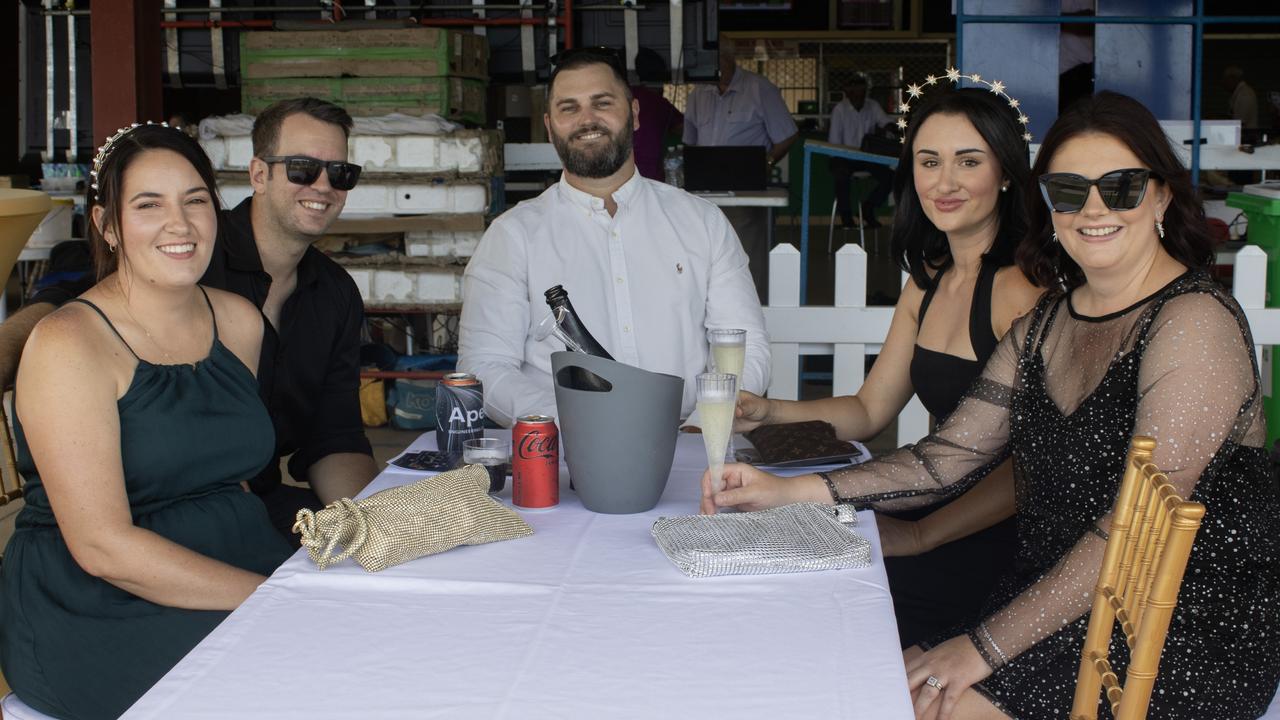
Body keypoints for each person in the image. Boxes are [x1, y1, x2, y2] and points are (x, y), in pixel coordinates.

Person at [705, 91, 1280, 719]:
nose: (1092, 209)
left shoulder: (1192, 321)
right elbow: (943, 459)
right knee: (874, 681)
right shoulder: (1047, 324)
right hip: (1059, 596)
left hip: (1177, 620)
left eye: (1121, 187)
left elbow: (1136, 529)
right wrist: (784, 491)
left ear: (1163, 195)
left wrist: (980, 649)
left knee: (926, 703)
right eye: (1068, 190)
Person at [0, 123, 293, 720]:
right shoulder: (69, 343)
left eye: (195, 201)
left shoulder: (239, 321)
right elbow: (103, 546)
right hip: (96, 602)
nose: (180, 225)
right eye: (148, 205)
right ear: (108, 224)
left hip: (232, 560)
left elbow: (227, 474)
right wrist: (275, 598)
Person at [736, 86, 1043, 648]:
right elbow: (868, 409)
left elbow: (1035, 467)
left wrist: (923, 534)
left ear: (1005, 174)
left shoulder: (1023, 290)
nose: (944, 183)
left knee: (829, 612)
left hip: (1002, 538)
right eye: (929, 162)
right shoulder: (928, 279)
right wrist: (768, 410)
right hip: (929, 502)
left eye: (968, 162)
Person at [0, 97, 379, 543]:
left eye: (340, 173)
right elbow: (77, 300)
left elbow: (334, 437)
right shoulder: (182, 254)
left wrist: (368, 527)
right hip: (151, 518)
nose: (322, 186)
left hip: (247, 506)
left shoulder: (335, 293)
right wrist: (8, 349)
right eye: (302, 168)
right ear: (258, 174)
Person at [458, 46, 769, 426]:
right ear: (550, 124)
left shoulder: (702, 222)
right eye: (568, 108)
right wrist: (580, 427)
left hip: (695, 446)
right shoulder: (512, 236)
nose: (587, 120)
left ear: (634, 113)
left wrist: (700, 429)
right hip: (562, 456)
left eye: (602, 103)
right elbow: (486, 366)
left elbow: (743, 347)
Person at [683, 43, 799, 300]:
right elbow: (690, 141)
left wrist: (765, 164)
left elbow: (787, 135)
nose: (714, 69)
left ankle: (752, 305)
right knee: (702, 250)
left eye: (718, 62)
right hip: (704, 189)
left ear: (730, 59)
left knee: (746, 251)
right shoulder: (698, 93)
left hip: (745, 189)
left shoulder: (760, 89)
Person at [826, 73, 894, 229]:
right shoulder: (840, 110)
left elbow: (885, 121)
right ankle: (846, 217)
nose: (859, 96)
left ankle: (868, 208)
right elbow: (834, 143)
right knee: (841, 174)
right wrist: (847, 155)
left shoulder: (872, 105)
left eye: (862, 92)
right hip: (842, 156)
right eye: (855, 92)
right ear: (848, 93)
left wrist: (889, 127)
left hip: (866, 157)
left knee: (891, 177)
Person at [630, 46, 683, 182]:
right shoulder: (658, 102)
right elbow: (683, 128)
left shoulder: (623, 96)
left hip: (621, 177)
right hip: (650, 179)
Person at [1223, 66, 1259, 130]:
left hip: (1245, 137)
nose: (1224, 84)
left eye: (1226, 80)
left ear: (1233, 79)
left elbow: (1240, 122)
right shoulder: (1239, 93)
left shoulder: (1245, 94)